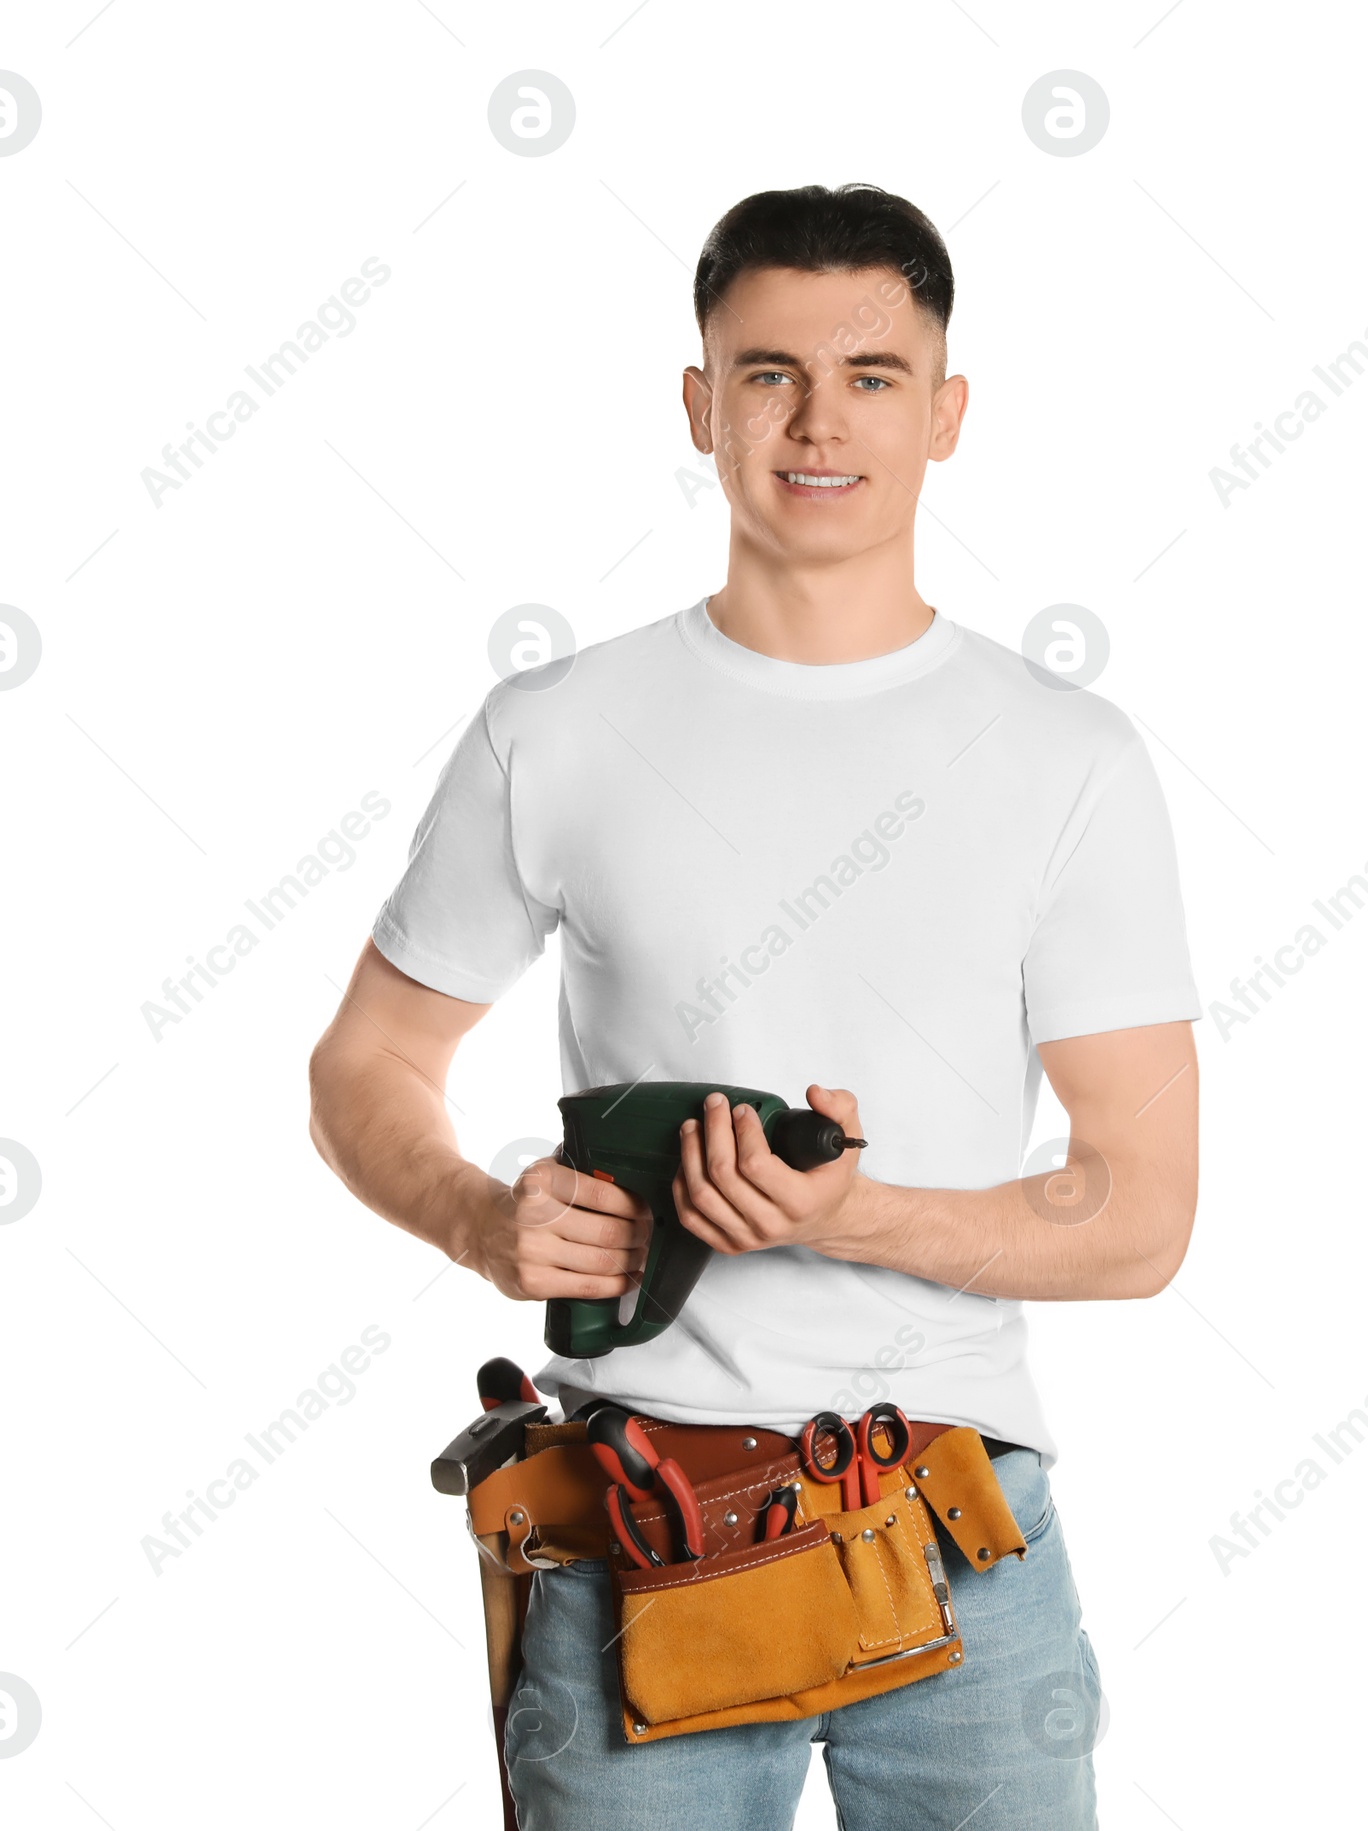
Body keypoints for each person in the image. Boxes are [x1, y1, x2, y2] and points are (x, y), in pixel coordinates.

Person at [309, 181, 1201, 1830]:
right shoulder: (556, 730)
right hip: (635, 1534)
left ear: (945, 414)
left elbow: (1139, 1219)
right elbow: (367, 1063)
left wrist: (862, 1221)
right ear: (701, 403)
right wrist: (479, 1219)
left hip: (963, 1556)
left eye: (870, 375)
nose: (817, 419)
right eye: (769, 370)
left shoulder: (1073, 761)